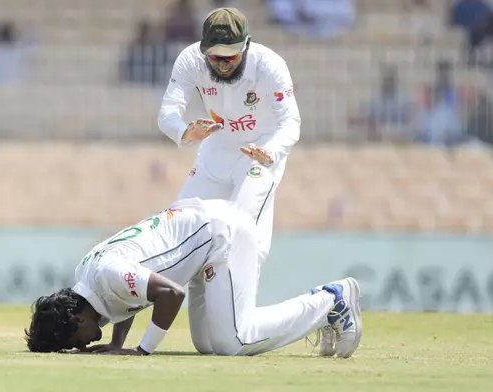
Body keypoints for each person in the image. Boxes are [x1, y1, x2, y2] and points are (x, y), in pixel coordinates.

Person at [25, 198, 362, 358]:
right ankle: (325, 308)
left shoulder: (107, 274)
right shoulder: (90, 280)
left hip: (221, 233)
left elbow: (170, 294)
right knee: (208, 345)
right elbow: (132, 295)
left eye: (73, 340)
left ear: (77, 317)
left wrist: (143, 350)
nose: (81, 345)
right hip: (202, 241)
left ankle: (332, 299)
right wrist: (116, 343)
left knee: (233, 342)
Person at [157, 7, 299, 268]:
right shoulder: (190, 59)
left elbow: (291, 122)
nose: (222, 65)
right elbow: (167, 113)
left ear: (246, 45)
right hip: (216, 153)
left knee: (243, 240)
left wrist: (272, 151)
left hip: (258, 157)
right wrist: (185, 131)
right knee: (179, 230)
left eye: (230, 57)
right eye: (214, 57)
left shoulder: (270, 65)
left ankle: (241, 306)